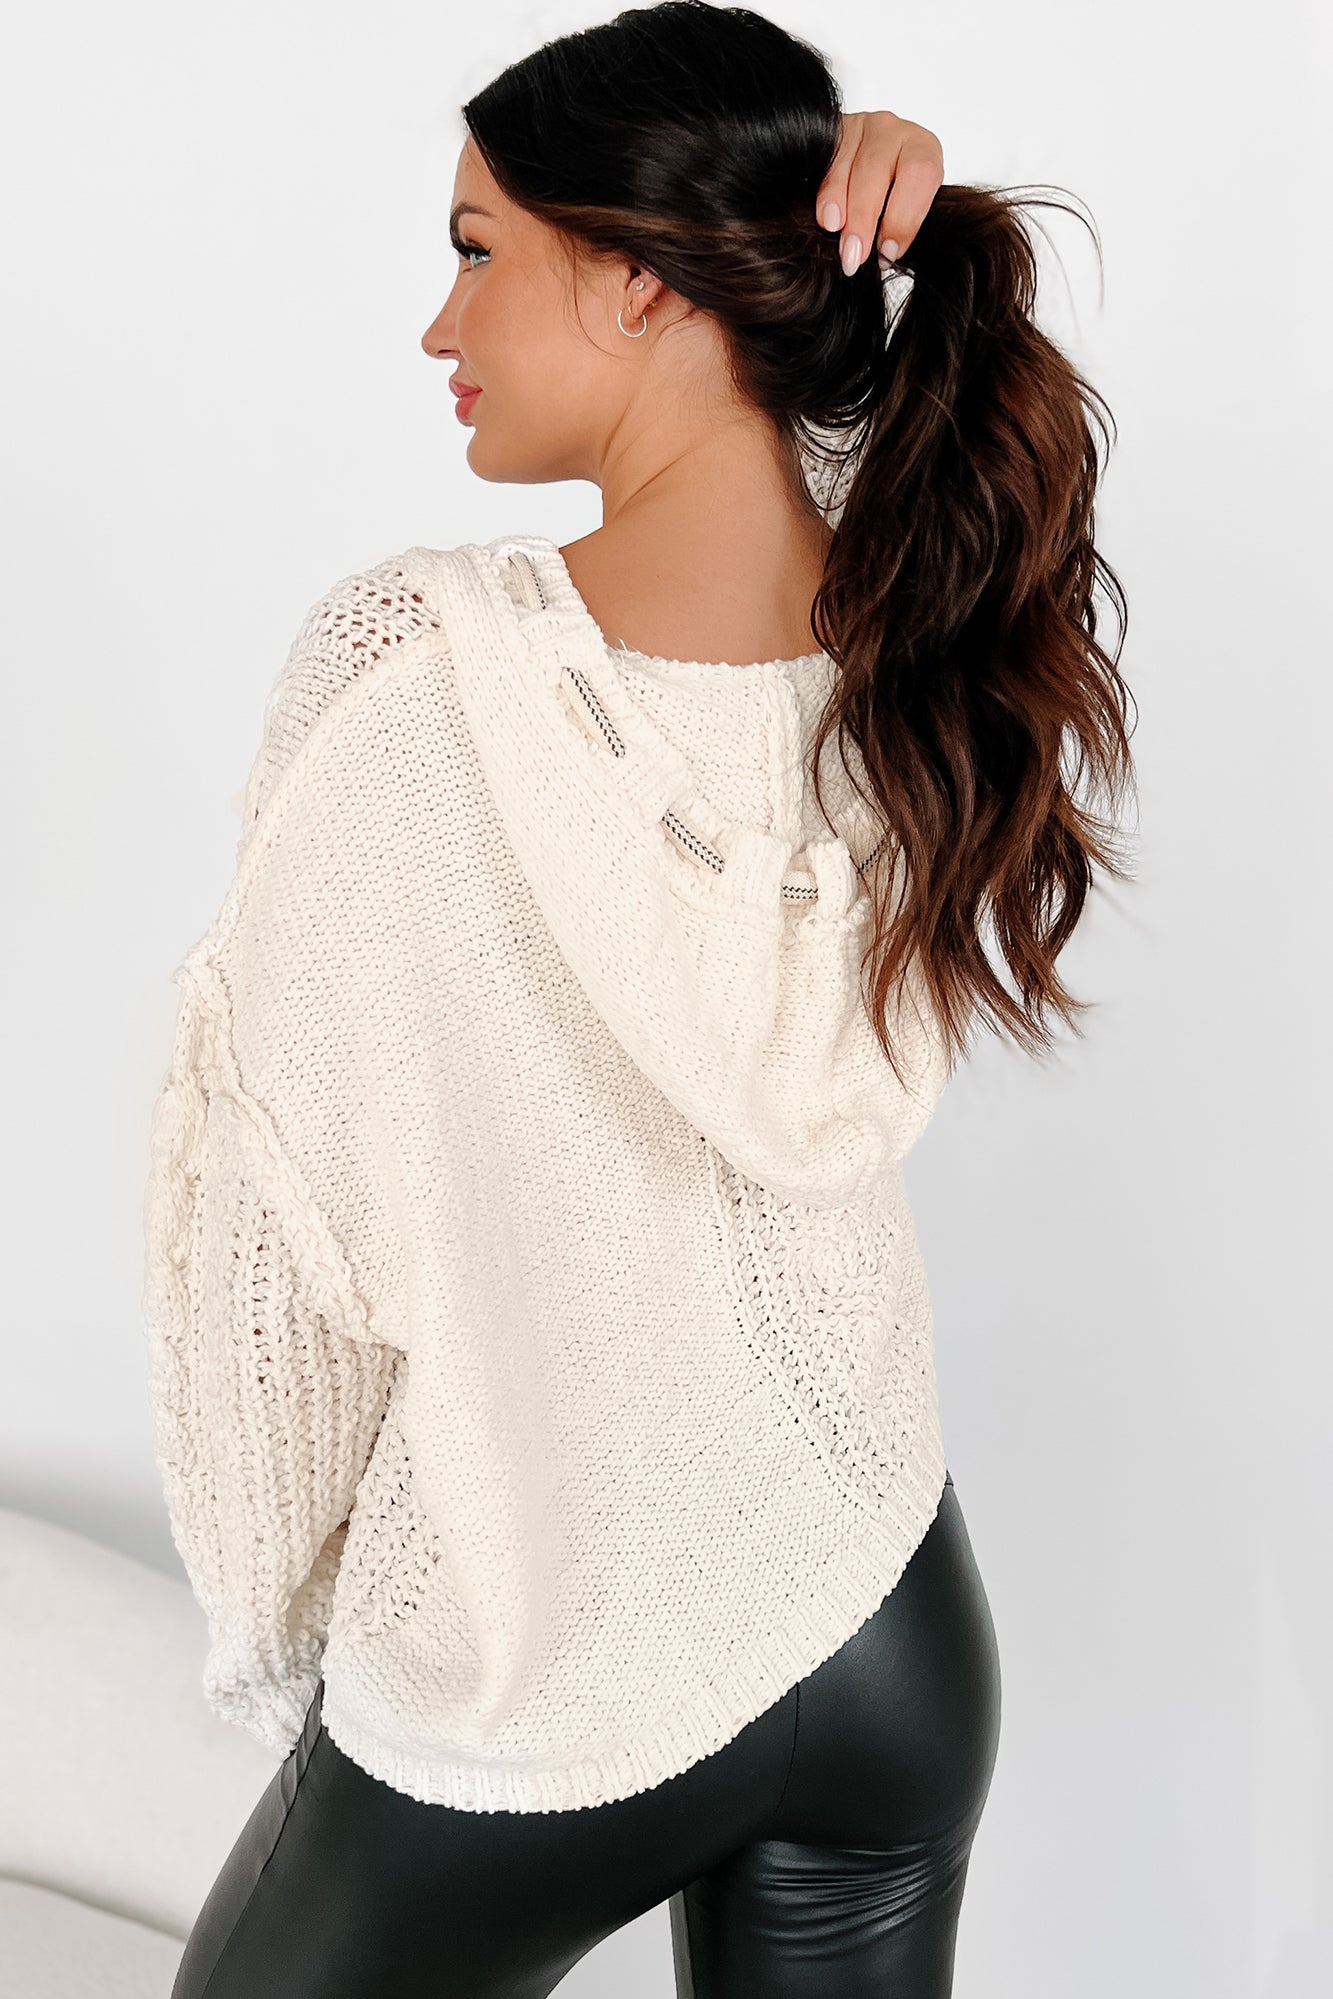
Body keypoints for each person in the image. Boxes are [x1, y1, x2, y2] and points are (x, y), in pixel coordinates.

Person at [146, 6, 1135, 1995]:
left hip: (545, 1659)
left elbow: (267, 1221)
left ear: (641, 278)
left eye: (476, 250)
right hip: (883, 1618)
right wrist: (840, 248)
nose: (438, 323)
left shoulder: (413, 675)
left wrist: (296, 1623)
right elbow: (812, 452)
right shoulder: (903, 652)